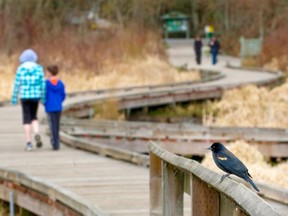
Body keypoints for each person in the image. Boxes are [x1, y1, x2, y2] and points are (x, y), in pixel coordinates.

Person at [11, 49, 45, 151]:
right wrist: (43, 98)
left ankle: (29, 143)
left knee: (26, 119)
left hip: (25, 97)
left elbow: (16, 84)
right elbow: (42, 84)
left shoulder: (20, 69)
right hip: (35, 96)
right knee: (34, 117)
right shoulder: (39, 68)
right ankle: (37, 133)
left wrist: (14, 98)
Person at [44, 65, 66, 150]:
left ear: (49, 73)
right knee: (57, 124)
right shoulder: (61, 83)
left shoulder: (46, 84)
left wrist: (45, 103)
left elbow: (44, 95)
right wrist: (59, 101)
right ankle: (57, 141)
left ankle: (55, 142)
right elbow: (63, 95)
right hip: (58, 106)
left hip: (50, 107)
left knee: (52, 124)